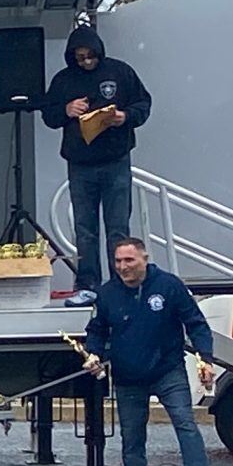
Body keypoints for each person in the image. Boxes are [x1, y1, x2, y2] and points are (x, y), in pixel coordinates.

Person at [81, 235, 221, 466]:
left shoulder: (169, 286)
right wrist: (93, 353)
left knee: (185, 423)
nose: (123, 266)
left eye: (129, 260)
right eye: (118, 261)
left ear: (144, 259)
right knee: (132, 440)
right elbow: (97, 330)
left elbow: (196, 324)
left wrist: (205, 358)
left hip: (167, 370)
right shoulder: (107, 293)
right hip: (128, 377)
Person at [40, 21, 152, 294]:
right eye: (80, 57)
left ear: (99, 52)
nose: (87, 61)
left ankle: (120, 282)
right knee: (85, 228)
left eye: (90, 56)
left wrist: (125, 116)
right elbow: (48, 115)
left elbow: (143, 104)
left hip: (116, 160)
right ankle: (88, 283)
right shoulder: (64, 80)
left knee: (118, 227)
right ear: (72, 56)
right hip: (80, 164)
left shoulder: (120, 72)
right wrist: (66, 110)